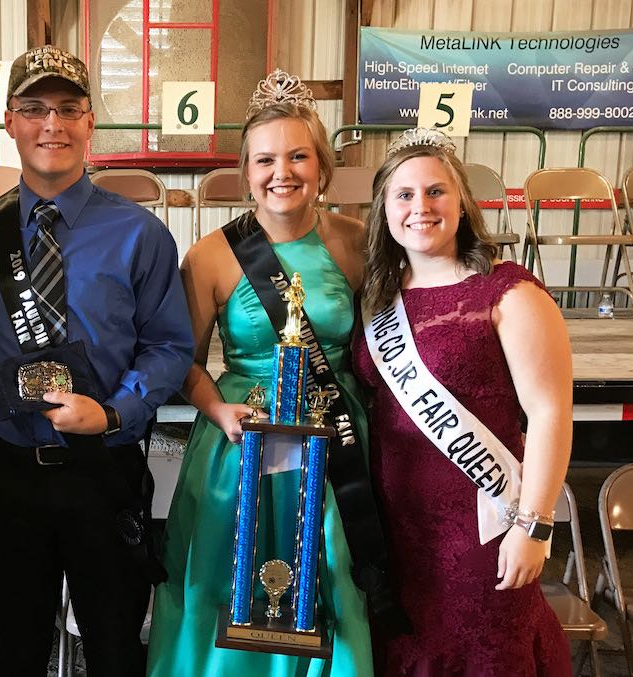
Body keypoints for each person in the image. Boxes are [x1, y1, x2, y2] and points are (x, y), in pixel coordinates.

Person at [0, 45, 193, 676]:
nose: (51, 125)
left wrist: (115, 415)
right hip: (6, 472)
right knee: (14, 655)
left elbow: (169, 346)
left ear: (91, 122)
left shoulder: (141, 234)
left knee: (116, 653)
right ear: (10, 121)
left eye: (68, 109)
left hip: (104, 472)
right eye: (34, 109)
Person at [147, 69, 379, 677]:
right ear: (246, 171)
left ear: (322, 166)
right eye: (265, 159)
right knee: (230, 576)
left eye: (299, 156)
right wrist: (218, 409)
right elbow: (184, 364)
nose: (283, 173)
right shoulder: (210, 254)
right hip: (241, 440)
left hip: (334, 441)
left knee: (331, 573)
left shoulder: (359, 244)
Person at [352, 128, 572, 675]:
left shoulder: (509, 292)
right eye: (403, 195)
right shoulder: (378, 297)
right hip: (397, 527)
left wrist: (534, 526)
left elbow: (550, 413)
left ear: (461, 202)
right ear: (384, 208)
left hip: (485, 525)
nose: (420, 207)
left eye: (436, 191)